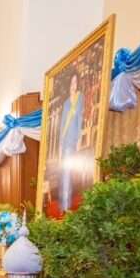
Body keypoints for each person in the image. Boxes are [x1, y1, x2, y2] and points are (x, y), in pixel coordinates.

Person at [57, 73, 86, 214]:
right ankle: (64, 206)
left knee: (70, 172)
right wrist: (60, 145)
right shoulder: (66, 103)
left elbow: (80, 118)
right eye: (71, 83)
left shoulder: (80, 98)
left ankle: (66, 206)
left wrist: (79, 139)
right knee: (65, 173)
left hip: (74, 139)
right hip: (65, 141)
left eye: (75, 82)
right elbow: (62, 124)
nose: (73, 86)